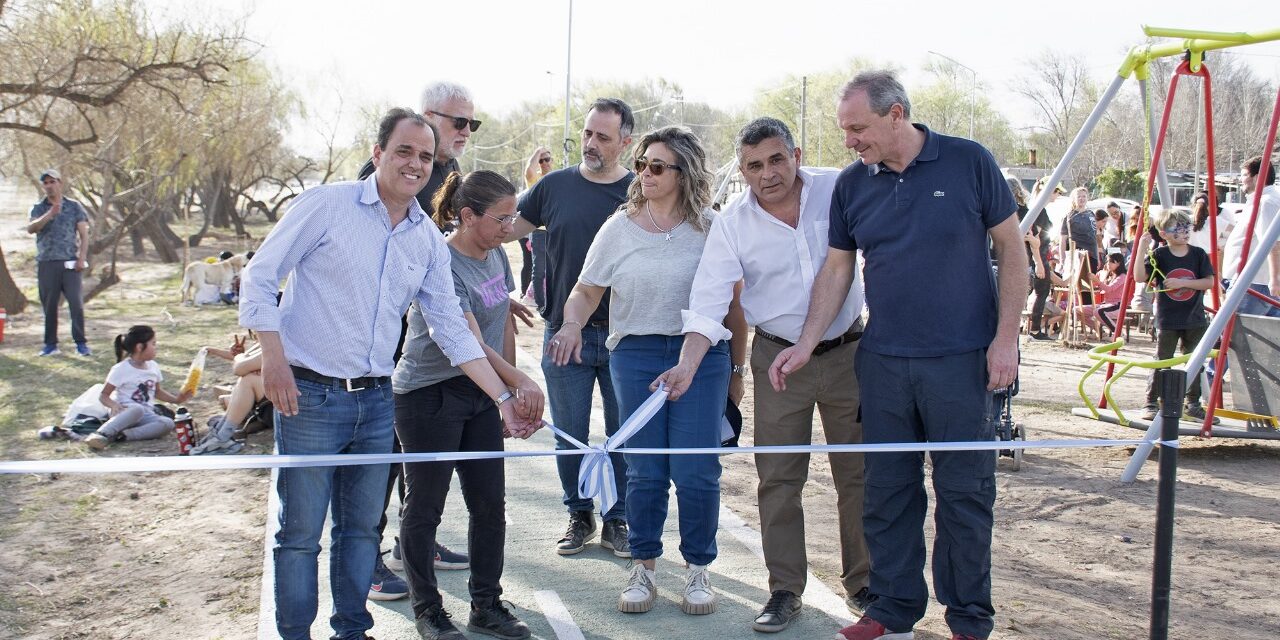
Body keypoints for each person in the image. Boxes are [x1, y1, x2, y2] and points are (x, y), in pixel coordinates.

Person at [239, 108, 536, 640]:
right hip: (308, 396)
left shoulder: (424, 238)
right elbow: (259, 276)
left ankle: (351, 630)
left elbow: (452, 329)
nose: (415, 164)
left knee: (359, 533)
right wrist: (274, 360)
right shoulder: (327, 205)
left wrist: (500, 397)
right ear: (378, 154)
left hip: (377, 402)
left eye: (425, 156)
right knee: (302, 533)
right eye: (404, 151)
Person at [768, 70, 1026, 640]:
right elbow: (837, 270)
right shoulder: (854, 186)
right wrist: (805, 345)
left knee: (964, 494)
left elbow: (1012, 249)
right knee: (886, 491)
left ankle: (968, 621)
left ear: (896, 114)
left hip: (964, 362)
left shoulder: (970, 161)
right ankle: (892, 609)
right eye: (844, 130)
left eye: (857, 128)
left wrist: (1005, 339)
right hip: (883, 362)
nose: (850, 141)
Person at [678, 117, 870, 632]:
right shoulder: (731, 223)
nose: (768, 174)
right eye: (754, 166)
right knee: (780, 478)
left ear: (797, 154)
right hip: (779, 362)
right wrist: (688, 363)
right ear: (741, 170)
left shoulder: (839, 187)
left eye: (776, 159)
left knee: (860, 473)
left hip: (852, 353)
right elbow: (708, 300)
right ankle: (785, 590)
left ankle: (865, 584)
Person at [544, 126, 737, 616]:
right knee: (644, 467)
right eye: (642, 165)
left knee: (697, 469)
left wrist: (737, 369)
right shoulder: (620, 226)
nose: (644, 174)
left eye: (657, 167)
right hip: (635, 354)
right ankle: (645, 566)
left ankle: (698, 568)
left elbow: (732, 304)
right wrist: (570, 326)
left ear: (684, 172)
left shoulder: (714, 226)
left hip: (704, 357)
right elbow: (587, 290)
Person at [356, 82, 497, 595]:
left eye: (471, 125)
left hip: (433, 341)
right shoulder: (391, 176)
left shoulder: (448, 178)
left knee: (419, 471)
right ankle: (366, 555)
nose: (464, 133)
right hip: (388, 355)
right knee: (385, 462)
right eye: (457, 122)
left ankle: (415, 540)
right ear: (426, 116)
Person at [395, 170, 546, 640]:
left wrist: (510, 395)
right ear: (467, 216)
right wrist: (512, 386)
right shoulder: (440, 260)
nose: (510, 227)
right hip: (427, 396)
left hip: (480, 392)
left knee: (489, 505)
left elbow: (499, 322)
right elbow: (468, 341)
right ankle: (429, 611)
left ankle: (487, 604)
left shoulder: (498, 254)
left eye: (513, 216)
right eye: (501, 218)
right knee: (425, 509)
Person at [505, 98, 636, 557]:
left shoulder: (643, 192)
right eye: (586, 133)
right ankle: (578, 514)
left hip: (627, 340)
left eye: (603, 137)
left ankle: (617, 520)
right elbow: (501, 230)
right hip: (565, 334)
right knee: (569, 433)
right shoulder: (553, 187)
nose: (591, 144)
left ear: (626, 142)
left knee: (624, 435)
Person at [1134, 207, 1216, 422]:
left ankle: (1193, 403)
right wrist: (1141, 249)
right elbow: (1140, 277)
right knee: (1163, 360)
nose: (1184, 232)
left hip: (1194, 318)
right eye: (1177, 229)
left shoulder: (1198, 254)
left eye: (1186, 227)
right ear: (1163, 234)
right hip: (1168, 318)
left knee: (1195, 361)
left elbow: (1209, 282)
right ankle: (1151, 401)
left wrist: (1182, 282)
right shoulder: (1160, 255)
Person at [85, 325, 193, 449]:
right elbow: (103, 395)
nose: (155, 347)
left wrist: (177, 399)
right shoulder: (121, 369)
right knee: (137, 409)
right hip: (124, 413)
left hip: (146, 414)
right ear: (139, 347)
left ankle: (122, 436)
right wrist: (113, 405)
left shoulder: (153, 367)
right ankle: (102, 434)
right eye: (153, 344)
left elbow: (157, 392)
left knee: (167, 423)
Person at [26, 169, 91, 357]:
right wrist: (49, 214)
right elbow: (31, 228)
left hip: (70, 263)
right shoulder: (38, 208)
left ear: (59, 183)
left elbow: (84, 234)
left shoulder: (74, 206)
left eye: (52, 182)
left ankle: (80, 343)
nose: (49, 186)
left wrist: (81, 258)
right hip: (47, 263)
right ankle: (50, 344)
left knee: (76, 304)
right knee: (49, 305)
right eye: (45, 183)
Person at [1221, 156, 1280, 318]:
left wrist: (1275, 279)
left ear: (1257, 178)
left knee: (1238, 336)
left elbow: (1272, 243)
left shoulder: (1267, 202)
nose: (1241, 179)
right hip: (1251, 281)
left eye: (1244, 175)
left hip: (1254, 283)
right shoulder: (1261, 200)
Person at [1025, 179, 1064, 340]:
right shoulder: (1039, 211)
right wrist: (1039, 264)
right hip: (1038, 257)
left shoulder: (1037, 209)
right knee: (1042, 293)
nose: (1058, 195)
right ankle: (1035, 330)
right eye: (1057, 192)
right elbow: (1034, 240)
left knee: (1041, 293)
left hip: (1039, 257)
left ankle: (1035, 329)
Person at [521, 146, 554, 308]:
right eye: (541, 161)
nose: (544, 163)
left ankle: (553, 304)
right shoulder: (536, 180)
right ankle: (542, 306)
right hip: (539, 232)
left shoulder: (559, 178)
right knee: (539, 271)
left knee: (555, 270)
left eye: (547, 159)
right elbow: (529, 169)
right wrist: (539, 150)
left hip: (555, 232)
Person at [1074, 253, 1129, 338]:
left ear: (1119, 263)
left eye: (1111, 262)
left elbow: (1109, 289)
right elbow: (1100, 287)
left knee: (1099, 312)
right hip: (1105, 304)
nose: (1108, 264)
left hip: (1117, 306)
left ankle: (1118, 334)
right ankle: (1099, 331)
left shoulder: (1123, 276)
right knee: (1076, 310)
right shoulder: (1109, 275)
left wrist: (1098, 281)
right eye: (1107, 262)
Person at [1061, 186, 1100, 304]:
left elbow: (1095, 237)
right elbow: (1063, 239)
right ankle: (1076, 312)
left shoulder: (1091, 214)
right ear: (1074, 199)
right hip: (1078, 254)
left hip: (1091, 254)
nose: (1082, 199)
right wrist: (1063, 259)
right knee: (1079, 285)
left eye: (1084, 196)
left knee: (1089, 285)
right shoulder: (1070, 216)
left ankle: (1087, 313)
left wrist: (1097, 256)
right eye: (1079, 197)